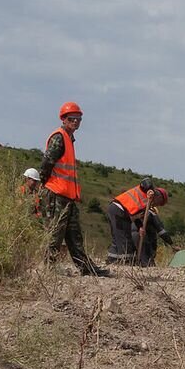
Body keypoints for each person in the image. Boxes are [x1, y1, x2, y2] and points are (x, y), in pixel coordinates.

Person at [38, 101, 109, 276]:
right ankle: (49, 267)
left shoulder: (68, 139)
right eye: (72, 119)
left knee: (74, 234)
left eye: (78, 119)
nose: (76, 122)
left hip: (66, 196)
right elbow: (47, 162)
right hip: (56, 193)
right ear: (64, 119)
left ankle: (86, 268)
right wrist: (44, 184)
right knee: (56, 232)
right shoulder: (59, 137)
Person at [106, 179, 167, 263]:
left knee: (118, 238)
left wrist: (140, 228)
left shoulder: (146, 206)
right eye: (159, 203)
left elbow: (138, 219)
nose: (157, 205)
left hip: (119, 212)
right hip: (118, 210)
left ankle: (112, 259)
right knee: (125, 241)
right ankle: (125, 263)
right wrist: (151, 189)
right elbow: (145, 181)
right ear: (159, 197)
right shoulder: (145, 191)